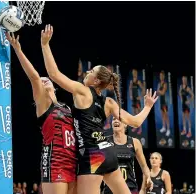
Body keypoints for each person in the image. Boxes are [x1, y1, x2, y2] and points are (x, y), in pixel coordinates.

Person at [40, 24, 158, 194]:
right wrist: (147, 106)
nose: (87, 71)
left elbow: (54, 74)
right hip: (108, 153)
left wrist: (45, 45)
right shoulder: (108, 102)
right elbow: (136, 121)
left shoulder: (83, 91)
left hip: (91, 156)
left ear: (95, 81)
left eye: (91, 71)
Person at [6, 32, 77, 194]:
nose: (43, 80)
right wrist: (18, 49)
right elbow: (34, 77)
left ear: (54, 86)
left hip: (73, 162)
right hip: (55, 162)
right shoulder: (44, 104)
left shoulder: (67, 108)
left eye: (47, 79)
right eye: (42, 80)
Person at [103, 117, 153, 194]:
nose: (116, 121)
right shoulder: (105, 141)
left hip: (130, 187)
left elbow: (144, 167)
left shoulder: (135, 142)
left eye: (119, 119)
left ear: (125, 124)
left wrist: (148, 178)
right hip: (110, 189)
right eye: (113, 119)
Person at [129, 69, 145, 135]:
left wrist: (140, 96)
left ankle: (140, 128)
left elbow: (143, 89)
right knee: (134, 114)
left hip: (137, 100)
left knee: (138, 114)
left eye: (135, 73)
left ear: (136, 74)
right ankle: (135, 127)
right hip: (133, 100)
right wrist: (130, 95)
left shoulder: (138, 82)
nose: (134, 74)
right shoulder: (131, 81)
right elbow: (130, 89)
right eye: (133, 73)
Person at [157, 71, 170, 137]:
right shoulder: (159, 84)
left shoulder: (165, 84)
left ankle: (168, 129)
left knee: (166, 116)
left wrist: (159, 91)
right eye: (160, 76)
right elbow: (158, 92)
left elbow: (162, 92)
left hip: (165, 102)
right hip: (161, 101)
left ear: (164, 76)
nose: (161, 77)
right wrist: (159, 92)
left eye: (162, 76)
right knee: (162, 115)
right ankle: (164, 127)